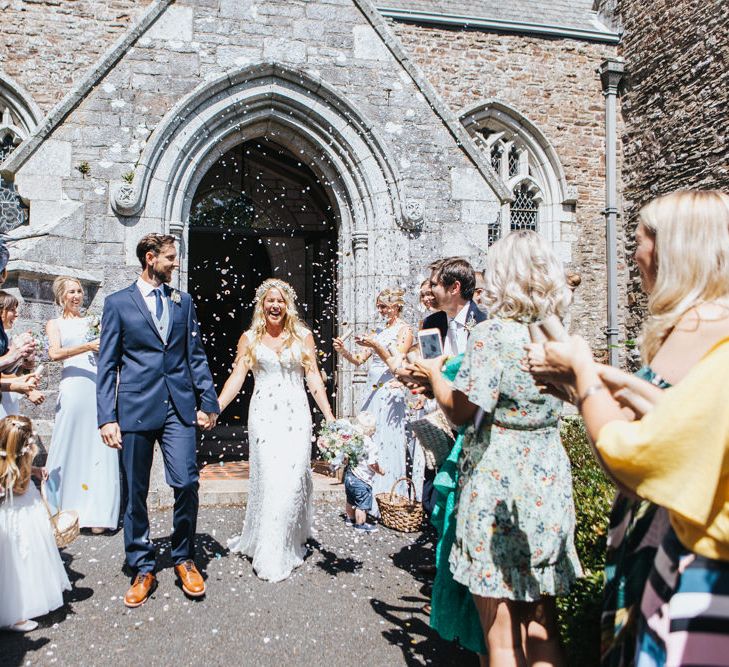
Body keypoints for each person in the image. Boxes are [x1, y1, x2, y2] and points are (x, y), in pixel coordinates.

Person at [527, 190, 729, 666]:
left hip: (688, 551)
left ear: (672, 249)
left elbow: (633, 454)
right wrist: (590, 384)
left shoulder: (705, 325)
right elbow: (674, 413)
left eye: (639, 241)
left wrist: (582, 372)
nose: (633, 255)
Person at [408, 231, 582, 664]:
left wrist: (433, 373)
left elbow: (461, 412)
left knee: (500, 638)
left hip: (498, 482)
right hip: (547, 479)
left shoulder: (493, 335)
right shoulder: (557, 337)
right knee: (542, 627)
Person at [97, 234, 219, 608]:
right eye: (169, 258)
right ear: (150, 259)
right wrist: (107, 417)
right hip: (134, 409)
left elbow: (194, 354)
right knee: (135, 492)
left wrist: (208, 401)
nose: (175, 264)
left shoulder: (184, 302)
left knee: (186, 482)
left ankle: (184, 557)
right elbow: (107, 364)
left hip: (178, 408)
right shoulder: (117, 303)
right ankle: (142, 565)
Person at [218, 278, 335, 582]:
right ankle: (270, 551)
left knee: (294, 478)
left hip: (297, 414)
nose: (275, 305)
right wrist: (215, 408)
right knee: (270, 480)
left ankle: (287, 541)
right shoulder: (249, 339)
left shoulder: (304, 337)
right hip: (264, 417)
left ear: (288, 306)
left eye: (281, 301)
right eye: (270, 300)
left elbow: (314, 379)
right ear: (262, 305)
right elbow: (236, 379)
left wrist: (330, 417)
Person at [44, 277, 119, 535]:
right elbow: (54, 354)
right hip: (73, 388)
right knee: (68, 441)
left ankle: (97, 512)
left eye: (79, 291)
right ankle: (59, 510)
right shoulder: (55, 324)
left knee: (97, 445)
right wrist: (87, 346)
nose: (77, 296)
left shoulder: (93, 322)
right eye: (72, 292)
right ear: (61, 297)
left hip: (96, 387)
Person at [333, 287, 414, 506]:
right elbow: (359, 359)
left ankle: (388, 495)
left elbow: (395, 362)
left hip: (389, 388)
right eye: (379, 306)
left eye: (384, 307)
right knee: (369, 437)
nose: (380, 311)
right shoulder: (378, 330)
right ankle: (365, 493)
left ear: (396, 307)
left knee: (387, 438)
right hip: (372, 387)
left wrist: (376, 344)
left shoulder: (405, 330)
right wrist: (344, 351)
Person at [0, 415, 71, 632]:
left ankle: (34, 596)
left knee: (33, 556)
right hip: (16, 516)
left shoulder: (15, 460)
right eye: (30, 442)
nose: (33, 445)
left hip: (27, 505)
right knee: (19, 558)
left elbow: (18, 465)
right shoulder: (5, 474)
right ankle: (15, 612)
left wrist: (34, 471)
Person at [422, 257, 487, 356]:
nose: (429, 290)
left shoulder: (485, 322)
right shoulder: (430, 323)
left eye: (434, 285)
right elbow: (428, 365)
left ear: (454, 288)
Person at [0, 291, 44, 417]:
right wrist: (26, 389)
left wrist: (27, 364)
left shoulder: (10, 338)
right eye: (12, 310)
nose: (17, 314)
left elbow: (10, 373)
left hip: (9, 397)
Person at [343, 411, 383, 534]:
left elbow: (346, 458)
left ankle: (350, 519)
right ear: (372, 429)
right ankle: (360, 525)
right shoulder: (371, 445)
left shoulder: (354, 441)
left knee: (350, 499)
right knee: (362, 504)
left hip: (349, 476)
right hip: (362, 480)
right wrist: (380, 471)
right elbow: (372, 464)